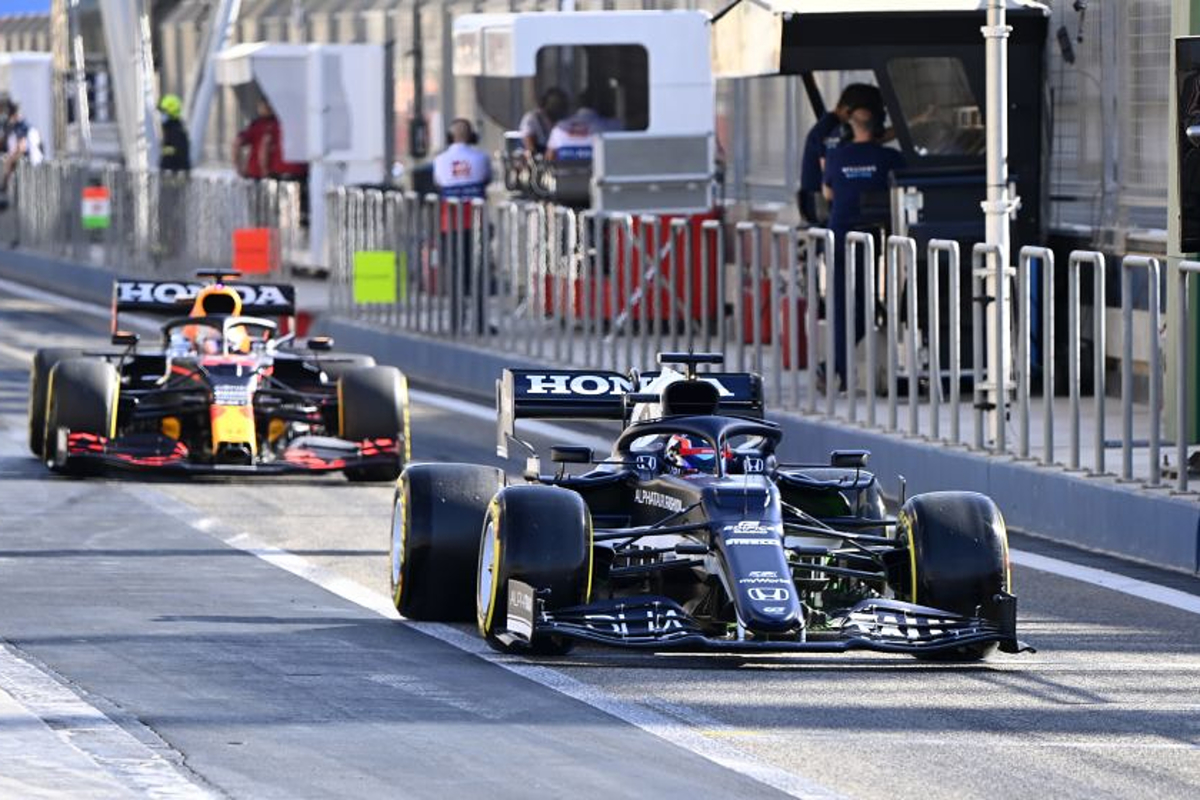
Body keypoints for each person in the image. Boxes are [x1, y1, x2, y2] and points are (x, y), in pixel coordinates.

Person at [822, 107, 906, 391]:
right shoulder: (888, 158)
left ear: (852, 128)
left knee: (841, 305)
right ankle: (836, 367)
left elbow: (827, 193)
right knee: (864, 306)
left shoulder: (836, 156)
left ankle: (839, 371)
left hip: (840, 235)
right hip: (869, 236)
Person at [433, 118, 492, 334]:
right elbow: (486, 179)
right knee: (478, 271)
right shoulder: (481, 158)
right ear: (472, 136)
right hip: (476, 221)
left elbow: (439, 182)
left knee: (455, 272)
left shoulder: (440, 160)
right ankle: (480, 322)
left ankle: (456, 322)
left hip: (450, 222)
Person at [797, 84, 883, 224]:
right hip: (821, 205)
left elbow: (870, 137)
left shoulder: (833, 128)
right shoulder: (830, 130)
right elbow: (828, 173)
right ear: (849, 111)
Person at [545, 88, 621, 162]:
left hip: (565, 173)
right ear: (597, 105)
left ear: (576, 106)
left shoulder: (558, 129)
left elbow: (549, 158)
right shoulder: (612, 127)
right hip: (598, 173)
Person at [1, 101, 44, 192]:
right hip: (32, 164)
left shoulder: (23, 126)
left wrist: (11, 159)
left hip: (34, 165)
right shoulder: (22, 126)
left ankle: (4, 185)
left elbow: (22, 146)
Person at [518, 87, 568, 156]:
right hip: (538, 155)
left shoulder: (563, 120)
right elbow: (528, 141)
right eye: (554, 105)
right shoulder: (532, 118)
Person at [158, 94, 191, 174]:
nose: (161, 115)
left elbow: (180, 158)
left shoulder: (176, 132)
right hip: (169, 178)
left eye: (163, 112)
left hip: (175, 180)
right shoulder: (170, 130)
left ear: (171, 112)